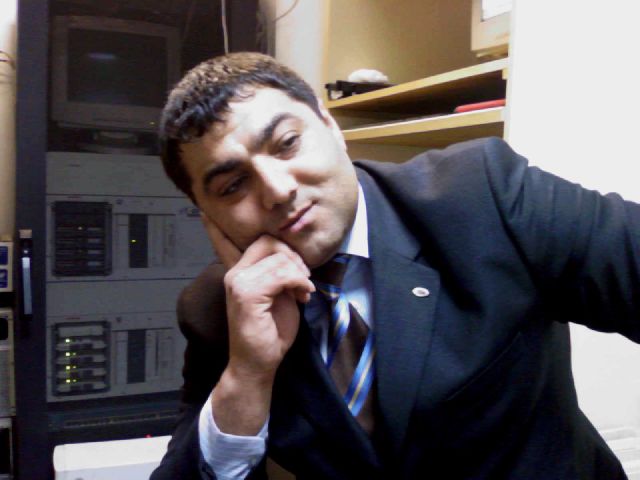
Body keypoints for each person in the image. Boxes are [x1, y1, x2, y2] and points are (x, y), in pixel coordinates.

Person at [151, 52, 640, 479]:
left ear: (330, 126)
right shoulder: (219, 308)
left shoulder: (482, 196)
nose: (278, 190)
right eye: (232, 186)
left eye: (287, 143)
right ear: (206, 214)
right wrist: (247, 375)